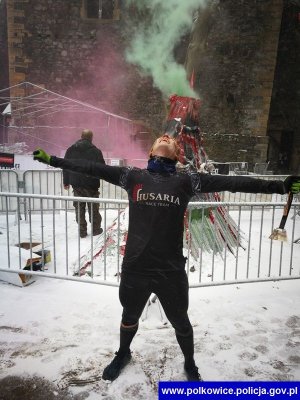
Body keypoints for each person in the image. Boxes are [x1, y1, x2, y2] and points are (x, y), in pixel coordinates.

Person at [33, 135, 300, 382]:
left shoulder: (187, 180)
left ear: (177, 154)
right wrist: (54, 161)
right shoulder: (131, 176)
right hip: (136, 267)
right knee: (129, 315)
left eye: (170, 140)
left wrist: (278, 186)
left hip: (169, 270)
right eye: (160, 138)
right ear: (150, 151)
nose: (165, 138)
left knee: (181, 321)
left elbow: (233, 183)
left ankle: (190, 363)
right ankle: (123, 353)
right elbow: (92, 168)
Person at [63, 129, 105, 238]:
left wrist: (66, 181)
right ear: (91, 138)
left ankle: (82, 231)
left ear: (81, 136)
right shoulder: (96, 151)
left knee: (79, 208)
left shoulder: (71, 150)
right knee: (93, 207)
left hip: (76, 185)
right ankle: (96, 229)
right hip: (92, 184)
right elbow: (102, 168)